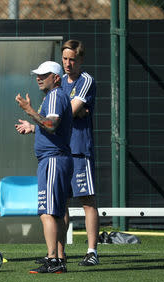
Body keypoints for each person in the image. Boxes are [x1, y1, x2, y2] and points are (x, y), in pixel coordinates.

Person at [15, 61, 72, 273]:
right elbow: (49, 126)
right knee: (55, 212)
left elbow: (52, 125)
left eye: (44, 75)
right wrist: (33, 128)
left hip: (54, 160)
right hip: (55, 159)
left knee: (47, 212)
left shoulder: (56, 96)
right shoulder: (53, 97)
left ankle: (53, 260)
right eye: (37, 74)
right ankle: (57, 258)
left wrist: (30, 111)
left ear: (56, 78)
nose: (39, 78)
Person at [61, 40, 99, 266]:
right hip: (60, 150)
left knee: (87, 201)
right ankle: (58, 252)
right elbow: (63, 110)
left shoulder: (86, 81)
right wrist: (73, 109)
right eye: (65, 58)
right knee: (61, 203)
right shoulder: (59, 81)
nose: (67, 63)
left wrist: (73, 109)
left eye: (72, 59)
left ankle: (92, 251)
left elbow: (68, 111)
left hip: (79, 150)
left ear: (80, 60)